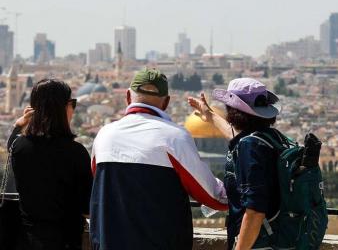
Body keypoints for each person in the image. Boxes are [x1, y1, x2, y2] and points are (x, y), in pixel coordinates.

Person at [90, 68, 228, 250]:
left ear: (127, 96)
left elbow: (98, 182)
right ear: (166, 102)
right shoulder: (174, 137)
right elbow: (213, 197)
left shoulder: (104, 135)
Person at [188, 77, 281, 250]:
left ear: (234, 111)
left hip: (259, 244)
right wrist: (210, 116)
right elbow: (237, 139)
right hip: (277, 238)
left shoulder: (250, 147)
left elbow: (254, 211)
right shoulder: (271, 139)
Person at [7, 79, 93, 250]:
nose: (73, 109)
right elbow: (87, 204)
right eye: (72, 103)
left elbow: (11, 144)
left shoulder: (20, 147)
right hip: (65, 240)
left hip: (28, 239)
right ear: (62, 109)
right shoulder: (76, 152)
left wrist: (19, 124)